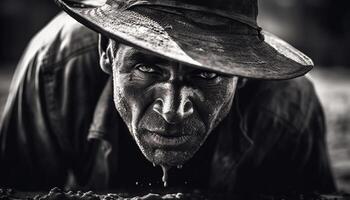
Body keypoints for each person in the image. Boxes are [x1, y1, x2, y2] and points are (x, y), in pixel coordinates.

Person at [0, 0, 336, 196]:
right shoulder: (55, 70)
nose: (173, 110)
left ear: (242, 74)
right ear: (106, 51)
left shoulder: (287, 110)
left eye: (207, 74)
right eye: (147, 67)